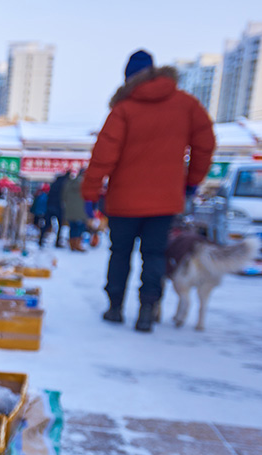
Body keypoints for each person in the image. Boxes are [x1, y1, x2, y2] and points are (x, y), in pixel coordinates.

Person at [82, 49, 215, 332]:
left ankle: (115, 308)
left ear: (129, 78)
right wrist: (191, 181)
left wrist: (90, 193)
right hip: (165, 201)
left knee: (120, 254)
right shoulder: (186, 104)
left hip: (124, 201)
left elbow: (103, 155)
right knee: (154, 255)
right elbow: (205, 144)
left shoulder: (124, 108)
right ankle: (147, 311)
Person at [61, 170, 88, 251]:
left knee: (72, 227)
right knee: (80, 227)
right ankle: (78, 244)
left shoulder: (69, 183)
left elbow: (64, 196)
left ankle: (72, 244)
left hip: (70, 210)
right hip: (82, 210)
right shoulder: (86, 184)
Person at [47, 171, 69, 247]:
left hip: (50, 205)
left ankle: (41, 239)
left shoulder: (53, 184)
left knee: (47, 224)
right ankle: (57, 241)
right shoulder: (64, 185)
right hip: (59, 206)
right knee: (60, 225)